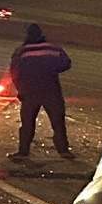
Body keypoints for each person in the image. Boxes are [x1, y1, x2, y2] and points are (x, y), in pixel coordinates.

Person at [8, 23, 72, 159]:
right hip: (52, 90)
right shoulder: (53, 48)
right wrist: (50, 68)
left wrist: (21, 90)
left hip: (30, 91)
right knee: (58, 122)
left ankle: (23, 151)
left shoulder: (22, 51)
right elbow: (66, 64)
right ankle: (64, 150)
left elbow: (15, 73)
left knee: (27, 123)